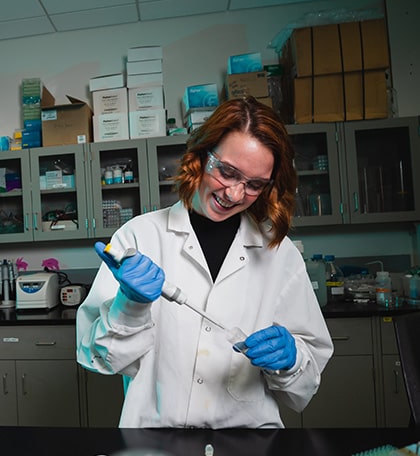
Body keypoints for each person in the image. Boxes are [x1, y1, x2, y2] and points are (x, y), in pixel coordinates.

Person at [76, 96, 333, 428]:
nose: (235, 194)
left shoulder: (278, 253)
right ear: (199, 156)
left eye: (254, 184)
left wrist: (292, 359)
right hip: (155, 441)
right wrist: (130, 304)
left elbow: (303, 390)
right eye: (227, 172)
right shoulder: (140, 237)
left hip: (248, 444)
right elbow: (97, 360)